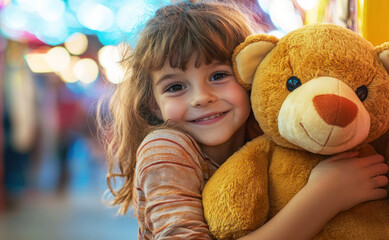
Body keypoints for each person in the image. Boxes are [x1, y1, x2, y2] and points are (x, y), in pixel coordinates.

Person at [98, 1, 389, 239]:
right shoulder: (165, 148)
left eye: (218, 76)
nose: (201, 97)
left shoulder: (270, 135)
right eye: (175, 87)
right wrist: (325, 196)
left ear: (249, 75)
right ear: (153, 104)